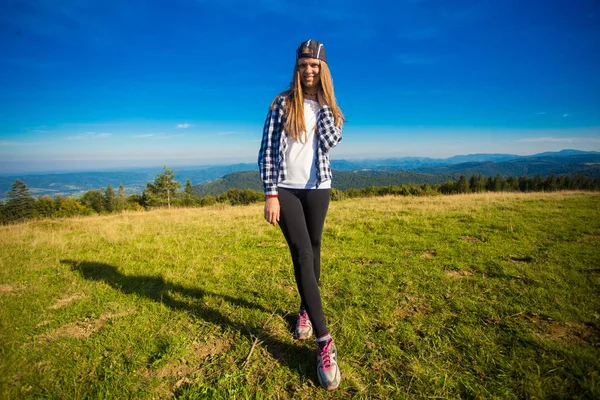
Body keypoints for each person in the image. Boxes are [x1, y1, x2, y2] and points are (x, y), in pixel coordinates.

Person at [258, 39, 344, 390]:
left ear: (322, 70)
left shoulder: (329, 107)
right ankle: (325, 342)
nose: (309, 70)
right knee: (302, 252)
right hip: (288, 190)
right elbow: (266, 150)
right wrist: (271, 193)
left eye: (315, 66)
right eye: (304, 64)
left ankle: (306, 310)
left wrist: (324, 104)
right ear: (297, 67)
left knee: (316, 247)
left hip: (318, 188)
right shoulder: (282, 103)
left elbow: (330, 141)